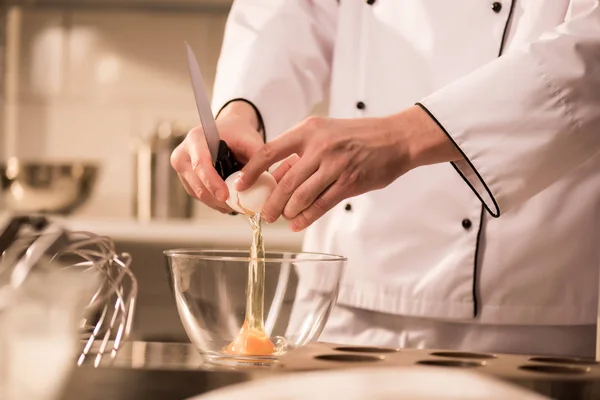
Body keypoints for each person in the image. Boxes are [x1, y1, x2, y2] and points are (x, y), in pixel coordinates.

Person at [171, 1, 600, 358]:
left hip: (524, 311)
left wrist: (402, 138)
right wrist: (242, 111)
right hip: (345, 308)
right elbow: (290, 10)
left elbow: (589, 47)